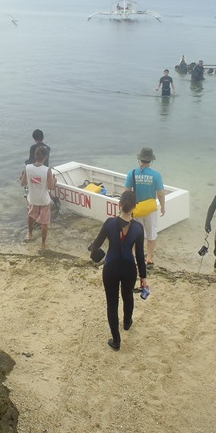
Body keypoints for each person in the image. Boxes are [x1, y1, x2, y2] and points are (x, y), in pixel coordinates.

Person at [88, 190, 148, 351]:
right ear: (135, 207)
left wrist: (91, 248)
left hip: (111, 267)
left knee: (112, 303)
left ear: (119, 205)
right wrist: (144, 277)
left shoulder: (109, 223)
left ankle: (116, 341)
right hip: (129, 268)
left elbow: (96, 244)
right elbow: (140, 256)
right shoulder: (138, 228)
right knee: (128, 295)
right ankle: (127, 323)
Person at [124, 147, 165, 267]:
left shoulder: (131, 174)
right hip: (150, 210)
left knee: (137, 235)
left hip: (136, 209)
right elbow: (161, 194)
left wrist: (125, 210)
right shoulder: (156, 175)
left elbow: (126, 192)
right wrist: (163, 207)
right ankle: (149, 258)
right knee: (151, 234)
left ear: (139, 160)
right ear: (151, 161)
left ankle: (138, 258)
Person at [20, 146, 56, 250]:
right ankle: (43, 245)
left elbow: (23, 183)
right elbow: (51, 187)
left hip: (32, 199)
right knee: (44, 223)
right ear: (45, 157)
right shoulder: (47, 170)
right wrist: (54, 180)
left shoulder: (28, 168)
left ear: (35, 155)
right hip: (44, 201)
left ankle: (30, 234)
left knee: (31, 216)